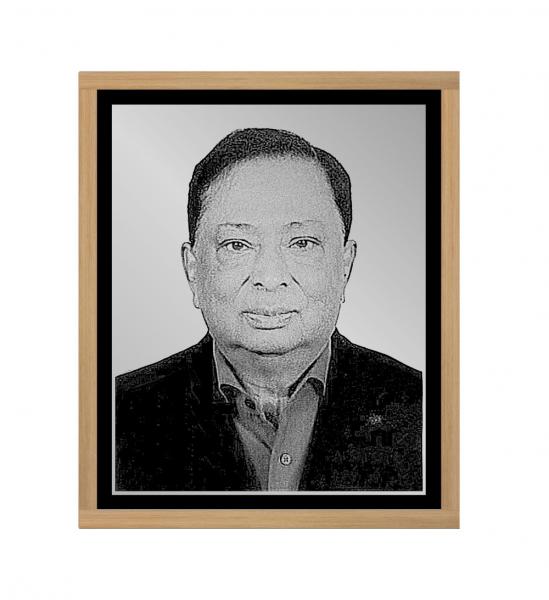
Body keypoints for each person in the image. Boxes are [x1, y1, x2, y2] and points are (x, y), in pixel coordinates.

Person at [116, 127, 422, 492]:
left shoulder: (432, 411)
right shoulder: (110, 415)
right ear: (192, 269)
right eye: (237, 244)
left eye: (302, 243)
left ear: (345, 265)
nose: (270, 277)